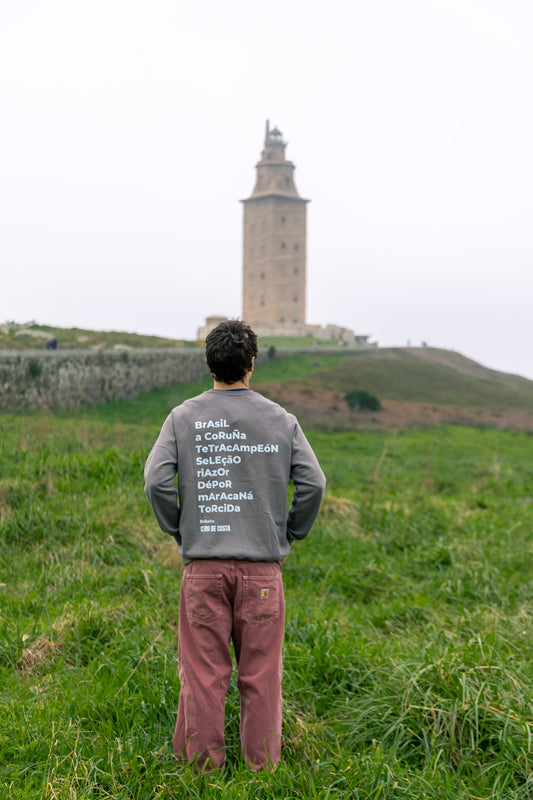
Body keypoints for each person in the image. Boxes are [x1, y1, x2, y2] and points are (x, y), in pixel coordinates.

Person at [144, 319, 326, 772]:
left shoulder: (182, 417)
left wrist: (181, 531)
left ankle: (202, 770)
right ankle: (262, 770)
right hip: (263, 569)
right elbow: (314, 484)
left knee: (203, 676)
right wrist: (290, 533)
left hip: (202, 567)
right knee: (262, 676)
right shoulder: (281, 420)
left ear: (209, 362)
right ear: (251, 364)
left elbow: (155, 480)